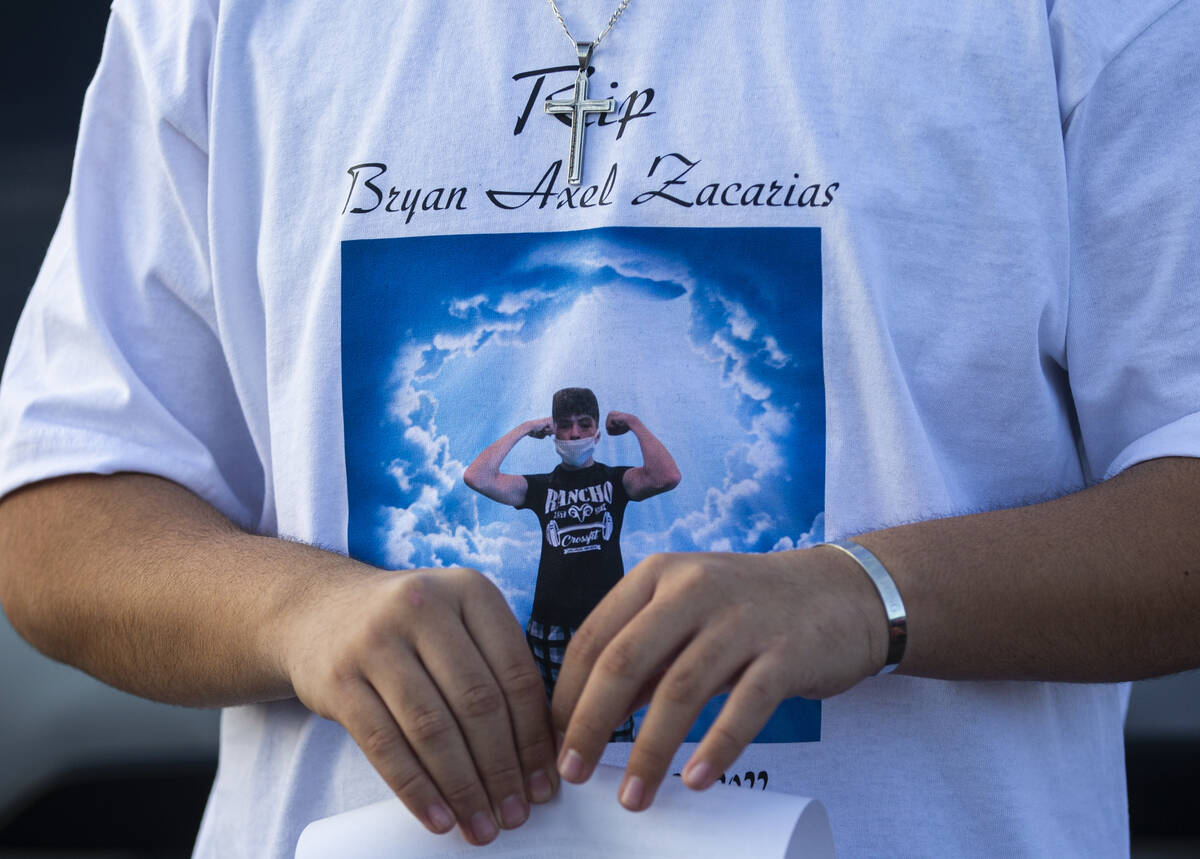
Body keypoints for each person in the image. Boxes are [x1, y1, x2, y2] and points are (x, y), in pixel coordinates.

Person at [0, 2, 1198, 857]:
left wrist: (858, 594)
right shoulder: (212, 17)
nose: (576, 433)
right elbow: (61, 517)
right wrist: (305, 611)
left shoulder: (1090, 17)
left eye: (581, 426)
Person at [464, 387, 680, 733]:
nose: (575, 433)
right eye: (565, 425)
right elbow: (478, 477)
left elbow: (666, 476)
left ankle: (612, 788)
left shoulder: (616, 481)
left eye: (584, 423)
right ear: (554, 432)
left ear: (597, 431)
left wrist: (635, 423)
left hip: (609, 624)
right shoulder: (541, 487)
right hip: (549, 627)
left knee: (613, 724)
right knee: (558, 726)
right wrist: (524, 428)